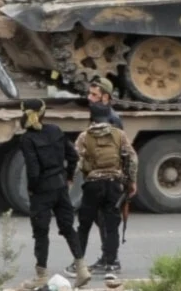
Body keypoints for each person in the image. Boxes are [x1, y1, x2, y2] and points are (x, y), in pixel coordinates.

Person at [15, 99, 90, 289]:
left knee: (41, 232)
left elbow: (33, 170)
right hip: (60, 187)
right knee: (67, 227)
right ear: (43, 113)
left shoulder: (26, 139)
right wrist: (69, 177)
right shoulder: (55, 130)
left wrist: (32, 188)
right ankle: (82, 269)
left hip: (42, 191)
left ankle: (41, 276)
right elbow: (73, 156)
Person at [74, 96, 139, 277]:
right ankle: (111, 265)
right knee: (111, 225)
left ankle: (78, 264)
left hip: (93, 185)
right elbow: (132, 158)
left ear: (92, 117)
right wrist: (132, 182)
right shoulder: (119, 134)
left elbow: (76, 161)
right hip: (113, 185)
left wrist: (69, 181)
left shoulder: (84, 136)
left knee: (84, 225)